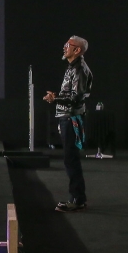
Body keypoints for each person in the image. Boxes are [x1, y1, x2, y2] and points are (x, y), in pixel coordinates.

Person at [44, 36, 93, 212]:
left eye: (68, 45)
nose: (64, 47)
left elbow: (75, 97)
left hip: (71, 118)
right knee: (70, 159)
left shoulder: (79, 69)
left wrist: (54, 98)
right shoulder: (73, 67)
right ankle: (78, 198)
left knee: (71, 160)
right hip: (67, 117)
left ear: (77, 50)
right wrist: (57, 97)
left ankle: (77, 199)